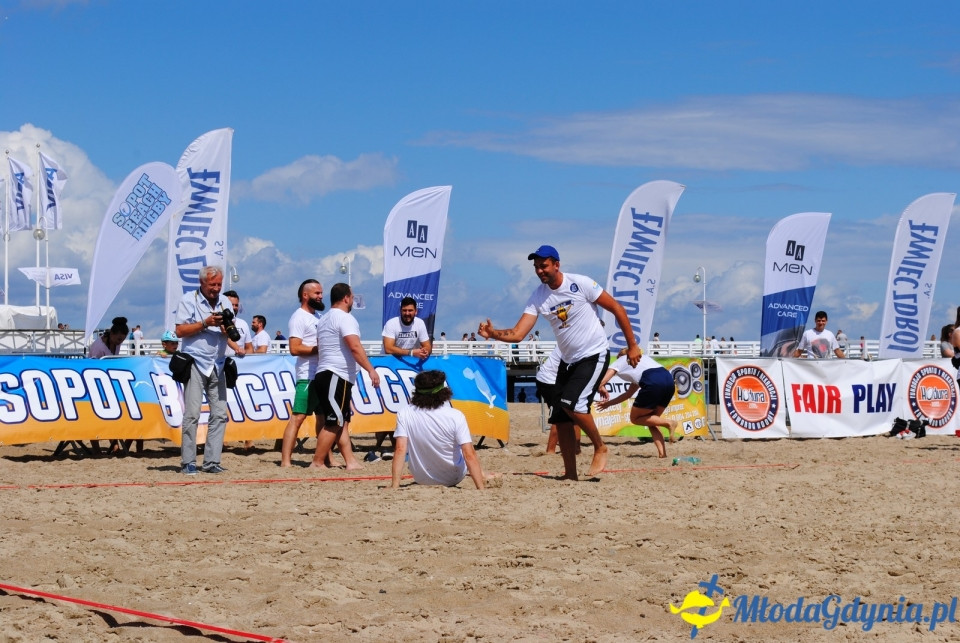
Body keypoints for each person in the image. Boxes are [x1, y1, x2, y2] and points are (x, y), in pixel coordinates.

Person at [478, 244, 641, 480]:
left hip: (593, 354)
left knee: (572, 404)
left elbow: (617, 308)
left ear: (556, 264)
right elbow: (518, 333)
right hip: (567, 361)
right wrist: (493, 334)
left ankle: (600, 446)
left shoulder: (580, 283)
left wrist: (633, 345)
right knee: (562, 418)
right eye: (536, 267)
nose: (539, 271)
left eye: (543, 266)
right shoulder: (538, 296)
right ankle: (570, 474)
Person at [310, 283, 381, 469]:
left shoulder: (324, 319)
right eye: (352, 297)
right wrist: (370, 369)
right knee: (335, 420)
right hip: (335, 374)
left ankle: (350, 461)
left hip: (328, 373)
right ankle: (317, 462)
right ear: (346, 298)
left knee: (341, 420)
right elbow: (354, 346)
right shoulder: (345, 318)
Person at [174, 265, 233, 475]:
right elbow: (179, 330)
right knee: (192, 414)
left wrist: (227, 328)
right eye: (212, 284)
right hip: (196, 362)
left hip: (218, 363)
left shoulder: (225, 302)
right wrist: (205, 323)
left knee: (219, 414)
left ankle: (211, 461)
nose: (216, 289)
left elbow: (229, 332)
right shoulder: (189, 300)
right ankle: (188, 461)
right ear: (202, 283)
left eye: (219, 284)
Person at [390, 370, 486, 489]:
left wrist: (394, 486)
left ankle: (483, 475)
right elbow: (469, 455)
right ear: (444, 391)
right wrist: (480, 488)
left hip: (421, 478)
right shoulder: (455, 415)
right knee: (463, 447)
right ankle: (482, 477)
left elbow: (400, 449)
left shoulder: (404, 413)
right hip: (453, 477)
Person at [374, 297, 433, 460]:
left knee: (407, 405)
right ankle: (379, 441)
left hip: (407, 369)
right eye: (404, 310)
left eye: (410, 311)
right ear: (400, 310)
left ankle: (403, 441)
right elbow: (388, 347)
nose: (407, 314)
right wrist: (412, 352)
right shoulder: (392, 324)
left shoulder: (419, 323)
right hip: (388, 366)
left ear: (416, 311)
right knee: (387, 404)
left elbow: (427, 344)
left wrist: (425, 351)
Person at [596, 348, 677, 459]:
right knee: (651, 420)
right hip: (668, 380)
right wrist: (609, 404)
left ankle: (669, 422)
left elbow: (608, 374)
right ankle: (662, 454)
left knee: (635, 418)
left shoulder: (623, 359)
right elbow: (628, 394)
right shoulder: (642, 362)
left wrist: (600, 385)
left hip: (653, 381)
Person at [280, 279, 327, 467]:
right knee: (298, 417)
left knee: (323, 417)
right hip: (307, 374)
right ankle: (285, 461)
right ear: (305, 295)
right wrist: (319, 349)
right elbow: (294, 348)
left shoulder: (319, 317)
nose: (321, 296)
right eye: (317, 293)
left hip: (322, 372)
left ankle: (324, 457)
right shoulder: (298, 317)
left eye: (321, 293)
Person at [222, 290, 252, 356]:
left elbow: (250, 349)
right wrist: (238, 348)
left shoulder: (243, 324)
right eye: (231, 305)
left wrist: (243, 352)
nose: (234, 307)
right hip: (220, 363)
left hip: (239, 364)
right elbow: (227, 338)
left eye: (236, 305)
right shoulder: (217, 322)